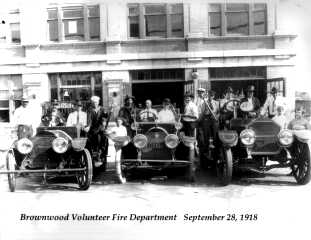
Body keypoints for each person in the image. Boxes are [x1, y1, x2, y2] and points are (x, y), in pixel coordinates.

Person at [85, 96, 108, 167]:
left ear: (98, 102)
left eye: (96, 102)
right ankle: (94, 152)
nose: (95, 104)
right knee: (93, 137)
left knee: (103, 137)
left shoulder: (102, 109)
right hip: (93, 128)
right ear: (92, 103)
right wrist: (88, 126)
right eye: (94, 102)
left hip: (100, 127)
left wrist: (104, 122)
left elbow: (104, 117)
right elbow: (89, 119)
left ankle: (100, 151)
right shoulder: (89, 110)